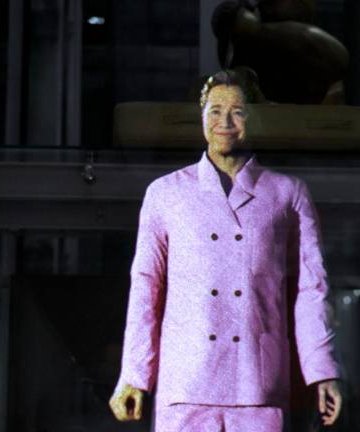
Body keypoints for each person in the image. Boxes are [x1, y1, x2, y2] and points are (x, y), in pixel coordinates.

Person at [108, 69, 342, 431]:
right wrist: (135, 376)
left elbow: (311, 290)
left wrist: (322, 372)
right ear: (201, 117)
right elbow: (145, 290)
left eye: (238, 111)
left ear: (253, 119)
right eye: (215, 111)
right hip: (185, 383)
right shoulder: (165, 193)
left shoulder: (287, 193)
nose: (225, 122)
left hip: (258, 384)